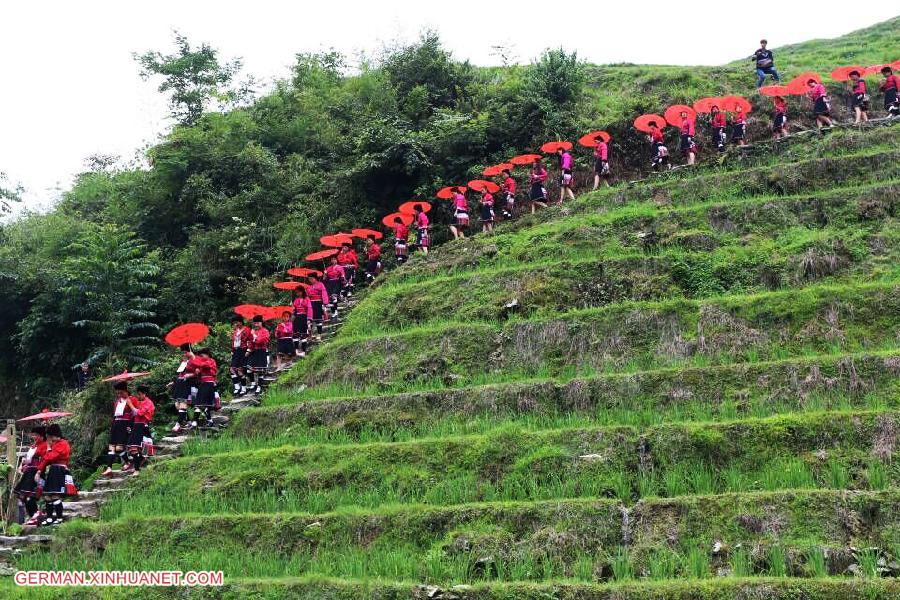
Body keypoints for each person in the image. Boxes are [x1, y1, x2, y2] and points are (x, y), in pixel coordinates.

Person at [34, 424, 75, 526]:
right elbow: (45, 459)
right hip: (53, 470)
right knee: (47, 496)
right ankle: (49, 518)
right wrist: (39, 471)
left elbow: (50, 457)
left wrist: (48, 448)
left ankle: (59, 518)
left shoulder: (63, 444)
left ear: (55, 435)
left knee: (55, 495)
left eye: (50, 436)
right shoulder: (55, 444)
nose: (49, 439)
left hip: (59, 470)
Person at [17, 426, 47, 525]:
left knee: (30, 496)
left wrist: (38, 471)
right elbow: (27, 458)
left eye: (37, 435)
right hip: (29, 471)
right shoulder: (33, 445)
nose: (34, 437)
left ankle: (37, 515)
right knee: (23, 497)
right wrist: (22, 464)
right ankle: (33, 516)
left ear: (42, 436)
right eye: (34, 435)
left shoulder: (44, 445)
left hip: (36, 471)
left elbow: (43, 459)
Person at [103, 381, 134, 476]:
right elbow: (115, 415)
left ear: (126, 391)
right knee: (111, 447)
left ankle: (129, 462)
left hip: (125, 424)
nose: (119, 394)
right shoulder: (117, 402)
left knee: (120, 448)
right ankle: (109, 468)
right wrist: (112, 426)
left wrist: (130, 425)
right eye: (118, 393)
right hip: (116, 424)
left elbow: (134, 414)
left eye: (121, 392)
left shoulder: (132, 399)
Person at [124, 385, 154, 475]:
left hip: (142, 426)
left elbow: (140, 413)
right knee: (133, 448)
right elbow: (134, 414)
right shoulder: (140, 402)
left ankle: (137, 469)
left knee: (136, 448)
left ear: (144, 394)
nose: (139, 396)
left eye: (140, 394)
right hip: (136, 426)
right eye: (138, 394)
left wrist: (130, 404)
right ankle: (138, 465)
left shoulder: (148, 403)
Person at [188, 347, 219, 426]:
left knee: (204, 404)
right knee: (200, 404)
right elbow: (195, 369)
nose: (201, 357)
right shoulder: (202, 362)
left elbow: (205, 365)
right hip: (202, 384)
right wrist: (197, 372)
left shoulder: (211, 361)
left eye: (202, 355)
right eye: (200, 356)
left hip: (209, 383)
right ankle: (208, 421)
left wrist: (193, 357)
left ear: (207, 354)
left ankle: (198, 421)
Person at [245, 319, 269, 395]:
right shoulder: (253, 331)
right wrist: (249, 350)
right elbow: (250, 342)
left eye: (258, 323)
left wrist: (254, 335)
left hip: (261, 351)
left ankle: (259, 386)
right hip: (254, 352)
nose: (256, 325)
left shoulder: (265, 331)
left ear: (261, 323)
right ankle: (253, 383)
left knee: (260, 371)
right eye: (255, 323)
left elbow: (260, 341)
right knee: (249, 369)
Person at [229, 317, 251, 398]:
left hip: (243, 350)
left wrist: (248, 350)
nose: (236, 324)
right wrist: (232, 350)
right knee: (232, 369)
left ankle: (244, 388)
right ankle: (237, 387)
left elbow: (250, 340)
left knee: (240, 370)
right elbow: (233, 342)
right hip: (236, 351)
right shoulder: (235, 332)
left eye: (237, 322)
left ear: (241, 322)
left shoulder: (247, 330)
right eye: (235, 323)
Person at [306, 273, 329, 341]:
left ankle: (319, 334)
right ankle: (311, 335)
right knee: (310, 320)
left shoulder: (320, 284)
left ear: (315, 278)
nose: (310, 280)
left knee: (318, 319)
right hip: (311, 304)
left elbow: (324, 293)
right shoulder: (309, 287)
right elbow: (307, 297)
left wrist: (325, 302)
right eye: (309, 279)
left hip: (318, 303)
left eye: (311, 278)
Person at [292, 287, 312, 357]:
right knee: (295, 334)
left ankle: (303, 351)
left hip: (304, 317)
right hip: (297, 318)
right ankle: (296, 350)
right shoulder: (295, 300)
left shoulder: (307, 299)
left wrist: (309, 319)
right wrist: (292, 318)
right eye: (296, 292)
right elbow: (294, 311)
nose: (298, 294)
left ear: (303, 292)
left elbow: (309, 309)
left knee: (303, 335)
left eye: (299, 292)